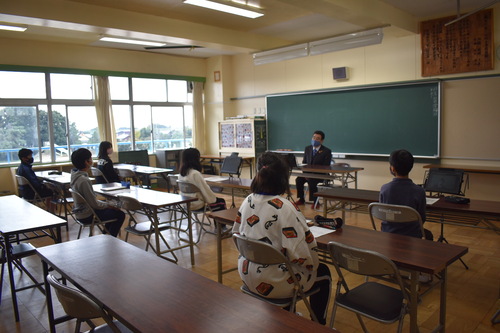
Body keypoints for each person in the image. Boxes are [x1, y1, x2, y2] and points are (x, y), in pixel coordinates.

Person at [233, 152, 331, 325]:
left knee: (282, 260)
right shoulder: (286, 208)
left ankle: (286, 313)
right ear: (284, 177)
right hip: (276, 282)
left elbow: (237, 235)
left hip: (248, 274)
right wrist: (313, 264)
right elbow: (304, 255)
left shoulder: (247, 200)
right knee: (322, 271)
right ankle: (319, 324)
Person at [70, 148, 125, 237]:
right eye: (90, 158)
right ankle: (110, 240)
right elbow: (95, 204)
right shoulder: (84, 180)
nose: (92, 160)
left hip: (80, 213)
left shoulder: (74, 176)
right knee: (120, 214)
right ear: (86, 162)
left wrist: (108, 205)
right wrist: (110, 205)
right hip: (88, 215)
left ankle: (106, 236)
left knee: (111, 211)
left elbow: (93, 202)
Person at [380, 149, 433, 240]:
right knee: (429, 235)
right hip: (412, 235)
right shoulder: (419, 191)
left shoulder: (385, 189)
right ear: (411, 167)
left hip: (388, 233)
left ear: (393, 168)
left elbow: (382, 214)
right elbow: (422, 218)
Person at [178, 148, 226, 212]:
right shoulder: (195, 174)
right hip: (196, 204)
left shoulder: (180, 174)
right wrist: (212, 199)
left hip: (185, 203)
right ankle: (220, 222)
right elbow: (205, 190)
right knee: (221, 202)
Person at [295, 130, 332, 207]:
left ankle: (315, 202)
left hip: (320, 175)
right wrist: (305, 174)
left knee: (312, 181)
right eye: (314, 137)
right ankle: (301, 199)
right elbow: (304, 162)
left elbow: (326, 166)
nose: (315, 140)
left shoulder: (327, 151)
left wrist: (312, 174)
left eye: (317, 138)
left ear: (322, 141)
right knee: (298, 180)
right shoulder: (307, 148)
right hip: (307, 173)